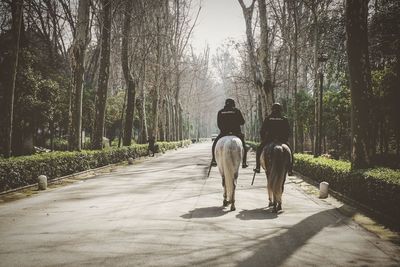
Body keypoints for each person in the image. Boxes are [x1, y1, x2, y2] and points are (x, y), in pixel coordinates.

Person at [253, 103, 293, 174]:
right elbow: (288, 131)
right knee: (290, 151)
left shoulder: (268, 118)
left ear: (272, 110)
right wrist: (285, 139)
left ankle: (258, 167)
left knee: (259, 149)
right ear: (280, 110)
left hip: (269, 140)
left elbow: (262, 131)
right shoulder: (284, 119)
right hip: (281, 140)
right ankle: (290, 169)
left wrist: (263, 139)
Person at [211, 98, 248, 168]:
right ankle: (244, 162)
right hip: (236, 133)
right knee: (244, 146)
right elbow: (242, 122)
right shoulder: (236, 111)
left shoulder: (220, 112)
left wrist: (224, 130)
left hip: (224, 133)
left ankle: (213, 160)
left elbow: (219, 124)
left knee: (215, 144)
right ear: (233, 104)